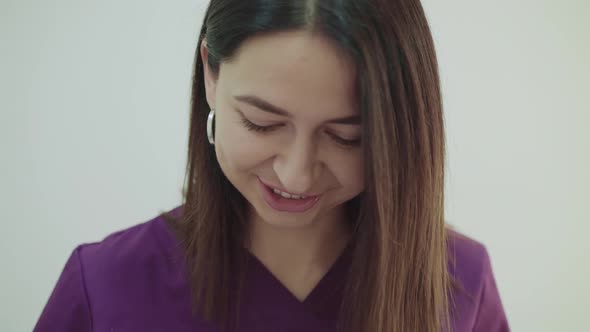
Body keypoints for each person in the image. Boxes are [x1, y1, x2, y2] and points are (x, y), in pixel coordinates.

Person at [35, 0, 509, 331]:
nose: (296, 174)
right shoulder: (105, 285)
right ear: (210, 74)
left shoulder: (461, 284)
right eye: (262, 123)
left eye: (347, 137)